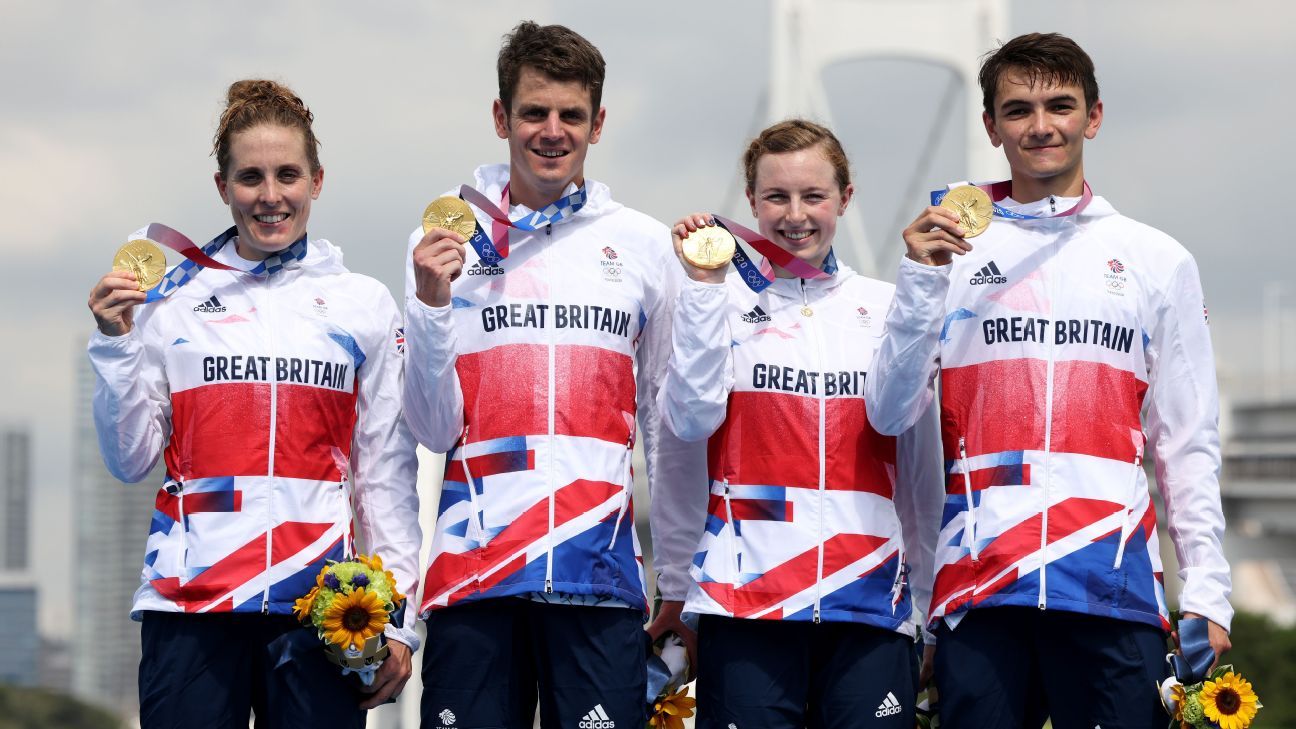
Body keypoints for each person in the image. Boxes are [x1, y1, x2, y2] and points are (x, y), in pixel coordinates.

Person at [864, 32, 1233, 729]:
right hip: (982, 586)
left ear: (1093, 117)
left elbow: (1186, 441)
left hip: (1113, 584)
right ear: (991, 126)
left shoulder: (1158, 258)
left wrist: (1209, 589)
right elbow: (888, 414)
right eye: (1018, 110)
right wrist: (918, 281)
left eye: (1060, 106)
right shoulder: (948, 249)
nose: (1040, 126)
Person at [87, 79, 421, 727]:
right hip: (189, 609)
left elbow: (386, 476)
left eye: (288, 174)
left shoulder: (364, 303)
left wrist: (401, 621)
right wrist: (114, 342)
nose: (271, 196)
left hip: (319, 609)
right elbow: (129, 459)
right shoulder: (169, 301)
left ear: (317, 181)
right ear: (222, 187)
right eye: (250, 177)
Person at [403, 21, 706, 728]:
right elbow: (431, 425)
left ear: (597, 124)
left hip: (596, 577)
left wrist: (679, 579)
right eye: (534, 112)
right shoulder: (440, 239)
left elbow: (667, 430)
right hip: (474, 576)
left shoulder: (640, 244)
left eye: (571, 115)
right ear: (501, 117)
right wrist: (429, 305)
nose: (551, 130)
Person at [659, 119, 944, 728]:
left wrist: (927, 604)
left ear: (846, 197)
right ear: (751, 202)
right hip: (747, 606)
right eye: (776, 197)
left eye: (814, 196)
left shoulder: (887, 306)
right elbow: (685, 428)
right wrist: (676, 586)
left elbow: (918, 473)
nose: (796, 216)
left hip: (870, 605)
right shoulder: (716, 301)